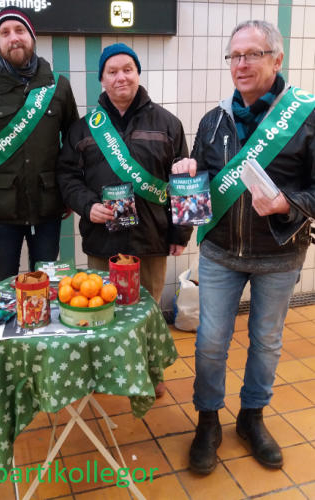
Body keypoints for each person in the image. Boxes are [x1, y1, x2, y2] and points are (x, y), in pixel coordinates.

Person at [173, 20, 315, 474]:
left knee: (266, 343)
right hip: (220, 252)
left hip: (280, 254)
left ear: (277, 59)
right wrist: (189, 174)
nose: (241, 64)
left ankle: (252, 417)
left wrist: (286, 203)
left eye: (252, 54)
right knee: (211, 342)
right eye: (234, 56)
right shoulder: (213, 120)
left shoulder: (306, 116)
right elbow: (201, 184)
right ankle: (208, 420)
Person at [57, 43, 192, 397]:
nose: (121, 77)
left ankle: (151, 372)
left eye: (127, 69)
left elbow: (183, 182)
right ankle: (106, 374)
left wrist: (181, 232)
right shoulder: (83, 129)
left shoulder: (168, 124)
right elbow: (67, 176)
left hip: (152, 238)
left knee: (148, 311)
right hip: (103, 239)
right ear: (101, 79)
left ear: (138, 73)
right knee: (100, 309)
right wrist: (87, 205)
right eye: (112, 71)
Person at [0, 7, 78, 284]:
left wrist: (69, 191)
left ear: (32, 36)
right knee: (3, 286)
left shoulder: (59, 86)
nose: (13, 38)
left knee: (46, 284)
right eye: (5, 33)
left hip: (48, 207)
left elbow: (73, 145)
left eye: (19, 30)